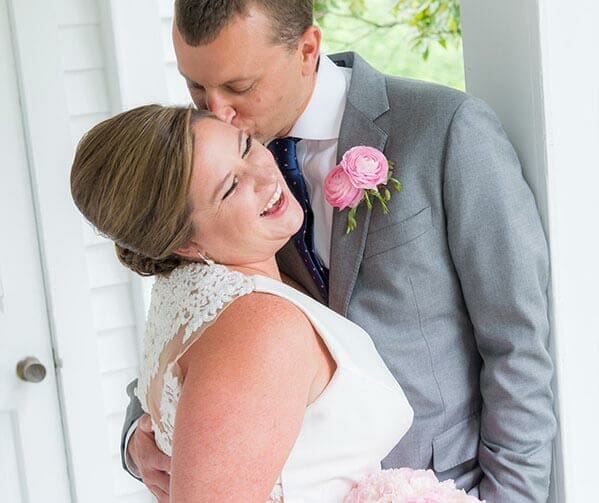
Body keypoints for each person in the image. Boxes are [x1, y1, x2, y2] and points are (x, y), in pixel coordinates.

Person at [122, 1, 556, 501]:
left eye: (239, 87)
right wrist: (139, 438)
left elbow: (517, 343)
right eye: (196, 87)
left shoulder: (447, 130)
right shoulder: (207, 177)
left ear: (307, 49)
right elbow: (187, 317)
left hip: (446, 486)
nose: (217, 112)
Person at [71, 104, 414, 502]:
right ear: (186, 243)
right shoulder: (262, 328)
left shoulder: (188, 286)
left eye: (247, 147)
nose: (266, 175)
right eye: (230, 187)